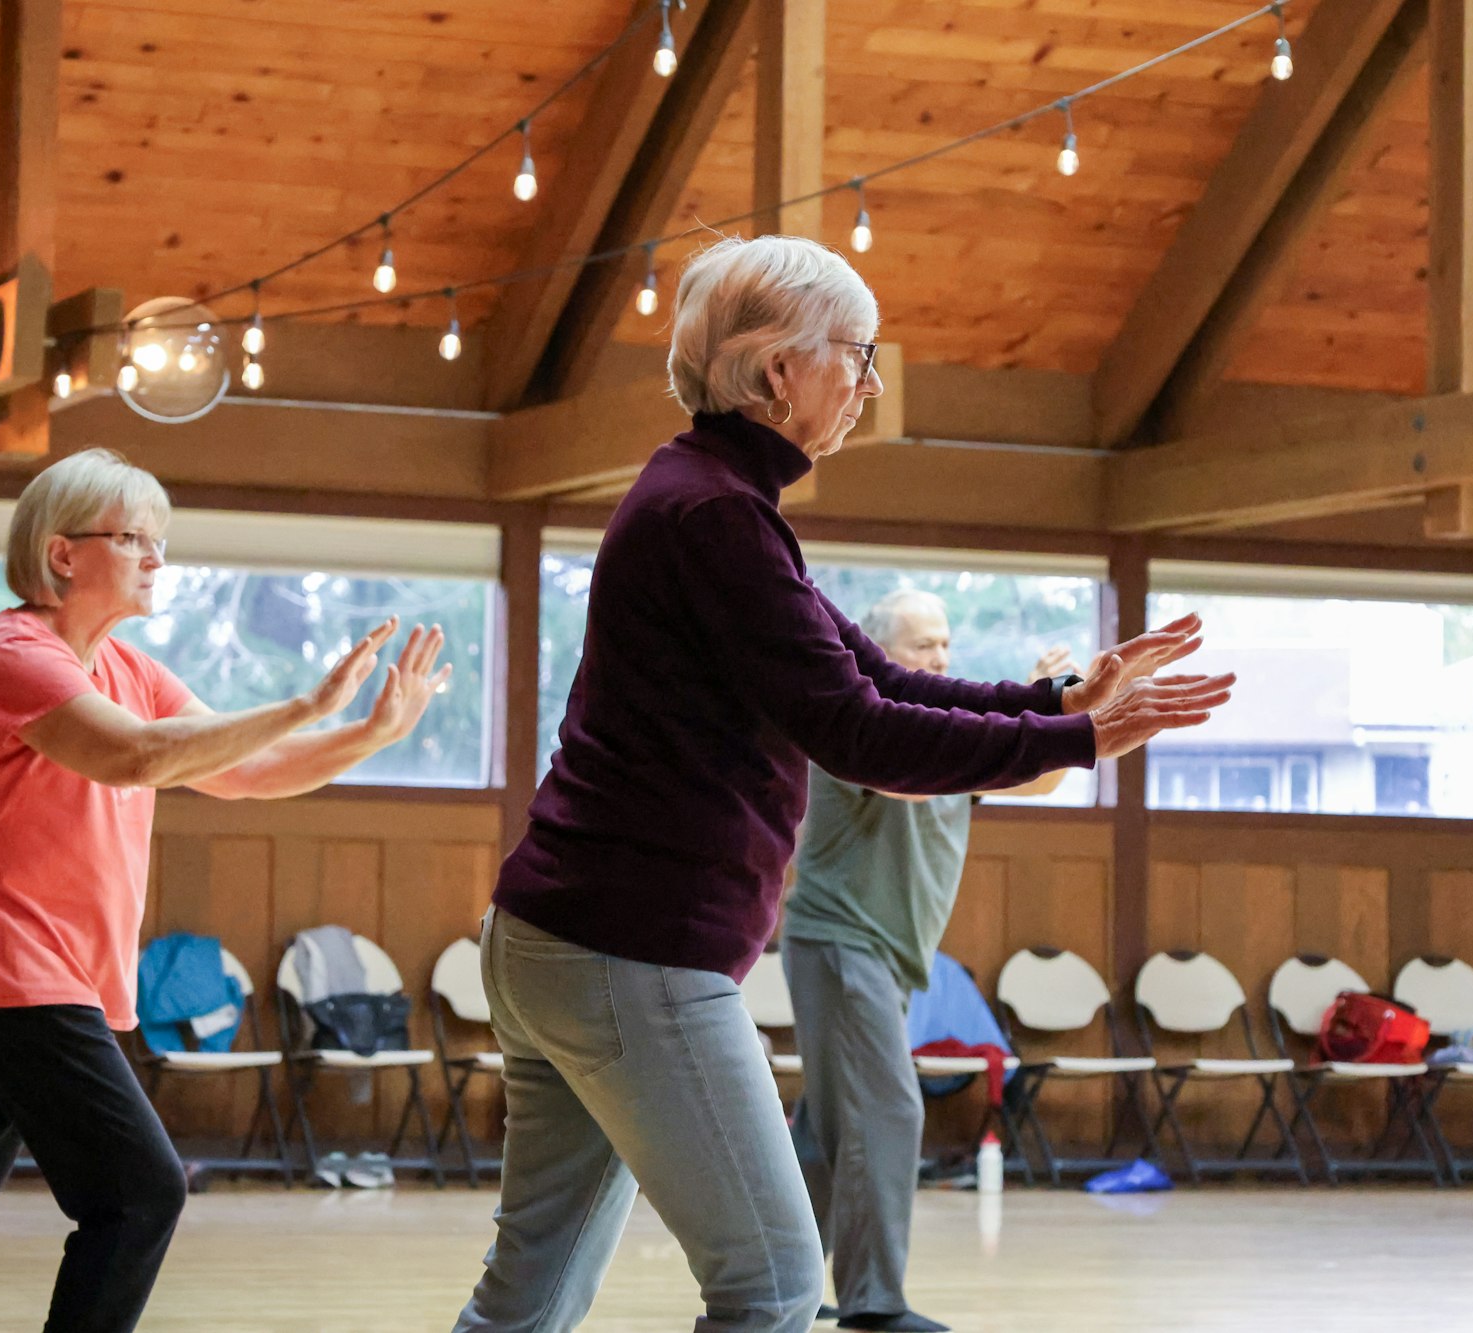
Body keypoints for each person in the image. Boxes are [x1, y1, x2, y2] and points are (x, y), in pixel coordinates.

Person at [451, 233, 1232, 1333]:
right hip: (631, 949)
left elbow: (862, 675)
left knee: (527, 1295)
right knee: (771, 1284)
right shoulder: (714, 514)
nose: (867, 384)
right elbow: (859, 732)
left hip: (563, 937)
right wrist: (1076, 746)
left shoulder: (712, 499)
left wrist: (1054, 701)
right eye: (856, 356)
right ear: (778, 371)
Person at [0, 449, 451, 1333]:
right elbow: (137, 755)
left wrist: (368, 734)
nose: (157, 557)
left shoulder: (130, 669)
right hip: (17, 975)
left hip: (52, 979)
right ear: (64, 553)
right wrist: (305, 705)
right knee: (141, 1195)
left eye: (161, 540)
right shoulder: (10, 655)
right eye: (136, 538)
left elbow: (246, 769)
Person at [782, 589, 1073, 1332]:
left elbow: (1036, 778)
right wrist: (1030, 723)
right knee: (887, 1107)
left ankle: (771, 1282)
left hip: (880, 952)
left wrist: (1061, 720)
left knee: (824, 1126)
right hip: (841, 940)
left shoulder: (942, 733)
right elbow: (913, 771)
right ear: (880, 652)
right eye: (921, 646)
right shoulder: (861, 726)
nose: (940, 658)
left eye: (945, 644)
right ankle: (874, 1303)